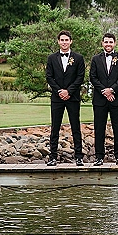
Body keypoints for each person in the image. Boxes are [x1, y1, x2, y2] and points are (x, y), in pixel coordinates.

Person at [45, 30, 86, 166]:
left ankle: (79, 156)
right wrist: (59, 91)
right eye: (62, 40)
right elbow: (49, 77)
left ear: (71, 41)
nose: (64, 42)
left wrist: (69, 91)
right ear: (58, 41)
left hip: (72, 97)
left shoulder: (78, 58)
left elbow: (80, 77)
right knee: (55, 127)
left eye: (66, 40)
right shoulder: (51, 58)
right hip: (57, 98)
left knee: (75, 126)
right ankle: (52, 157)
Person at [89, 33, 118, 167]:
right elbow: (93, 78)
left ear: (115, 43)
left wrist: (112, 90)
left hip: (116, 99)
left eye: (110, 42)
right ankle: (99, 157)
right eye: (106, 42)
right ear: (102, 43)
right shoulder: (95, 59)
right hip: (100, 99)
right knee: (99, 128)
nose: (108, 44)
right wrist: (104, 91)